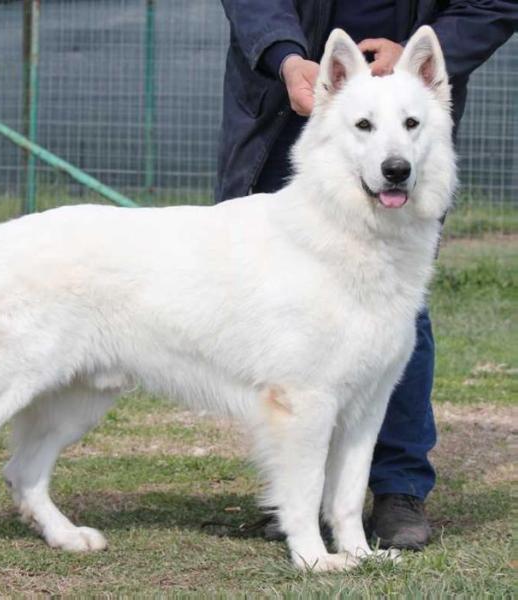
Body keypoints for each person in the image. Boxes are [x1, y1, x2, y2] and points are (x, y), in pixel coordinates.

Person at [217, 1, 516, 549]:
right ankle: (300, 504)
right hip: (292, 92)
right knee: (284, 339)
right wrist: (284, 56)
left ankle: (396, 488)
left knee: (393, 319)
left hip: (407, 79)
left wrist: (428, 50)